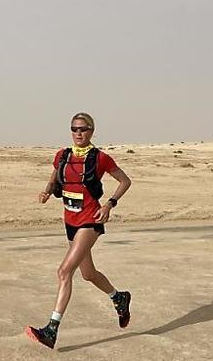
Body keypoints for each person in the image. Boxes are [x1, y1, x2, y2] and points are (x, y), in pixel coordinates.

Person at [25, 112, 133, 349]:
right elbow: (54, 179)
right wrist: (45, 191)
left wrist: (109, 204)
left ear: (92, 131)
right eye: (74, 129)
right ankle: (119, 297)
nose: (78, 133)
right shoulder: (62, 156)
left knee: (64, 271)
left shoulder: (101, 158)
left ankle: (51, 330)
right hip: (70, 222)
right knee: (88, 274)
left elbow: (125, 181)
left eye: (83, 129)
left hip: (90, 220)